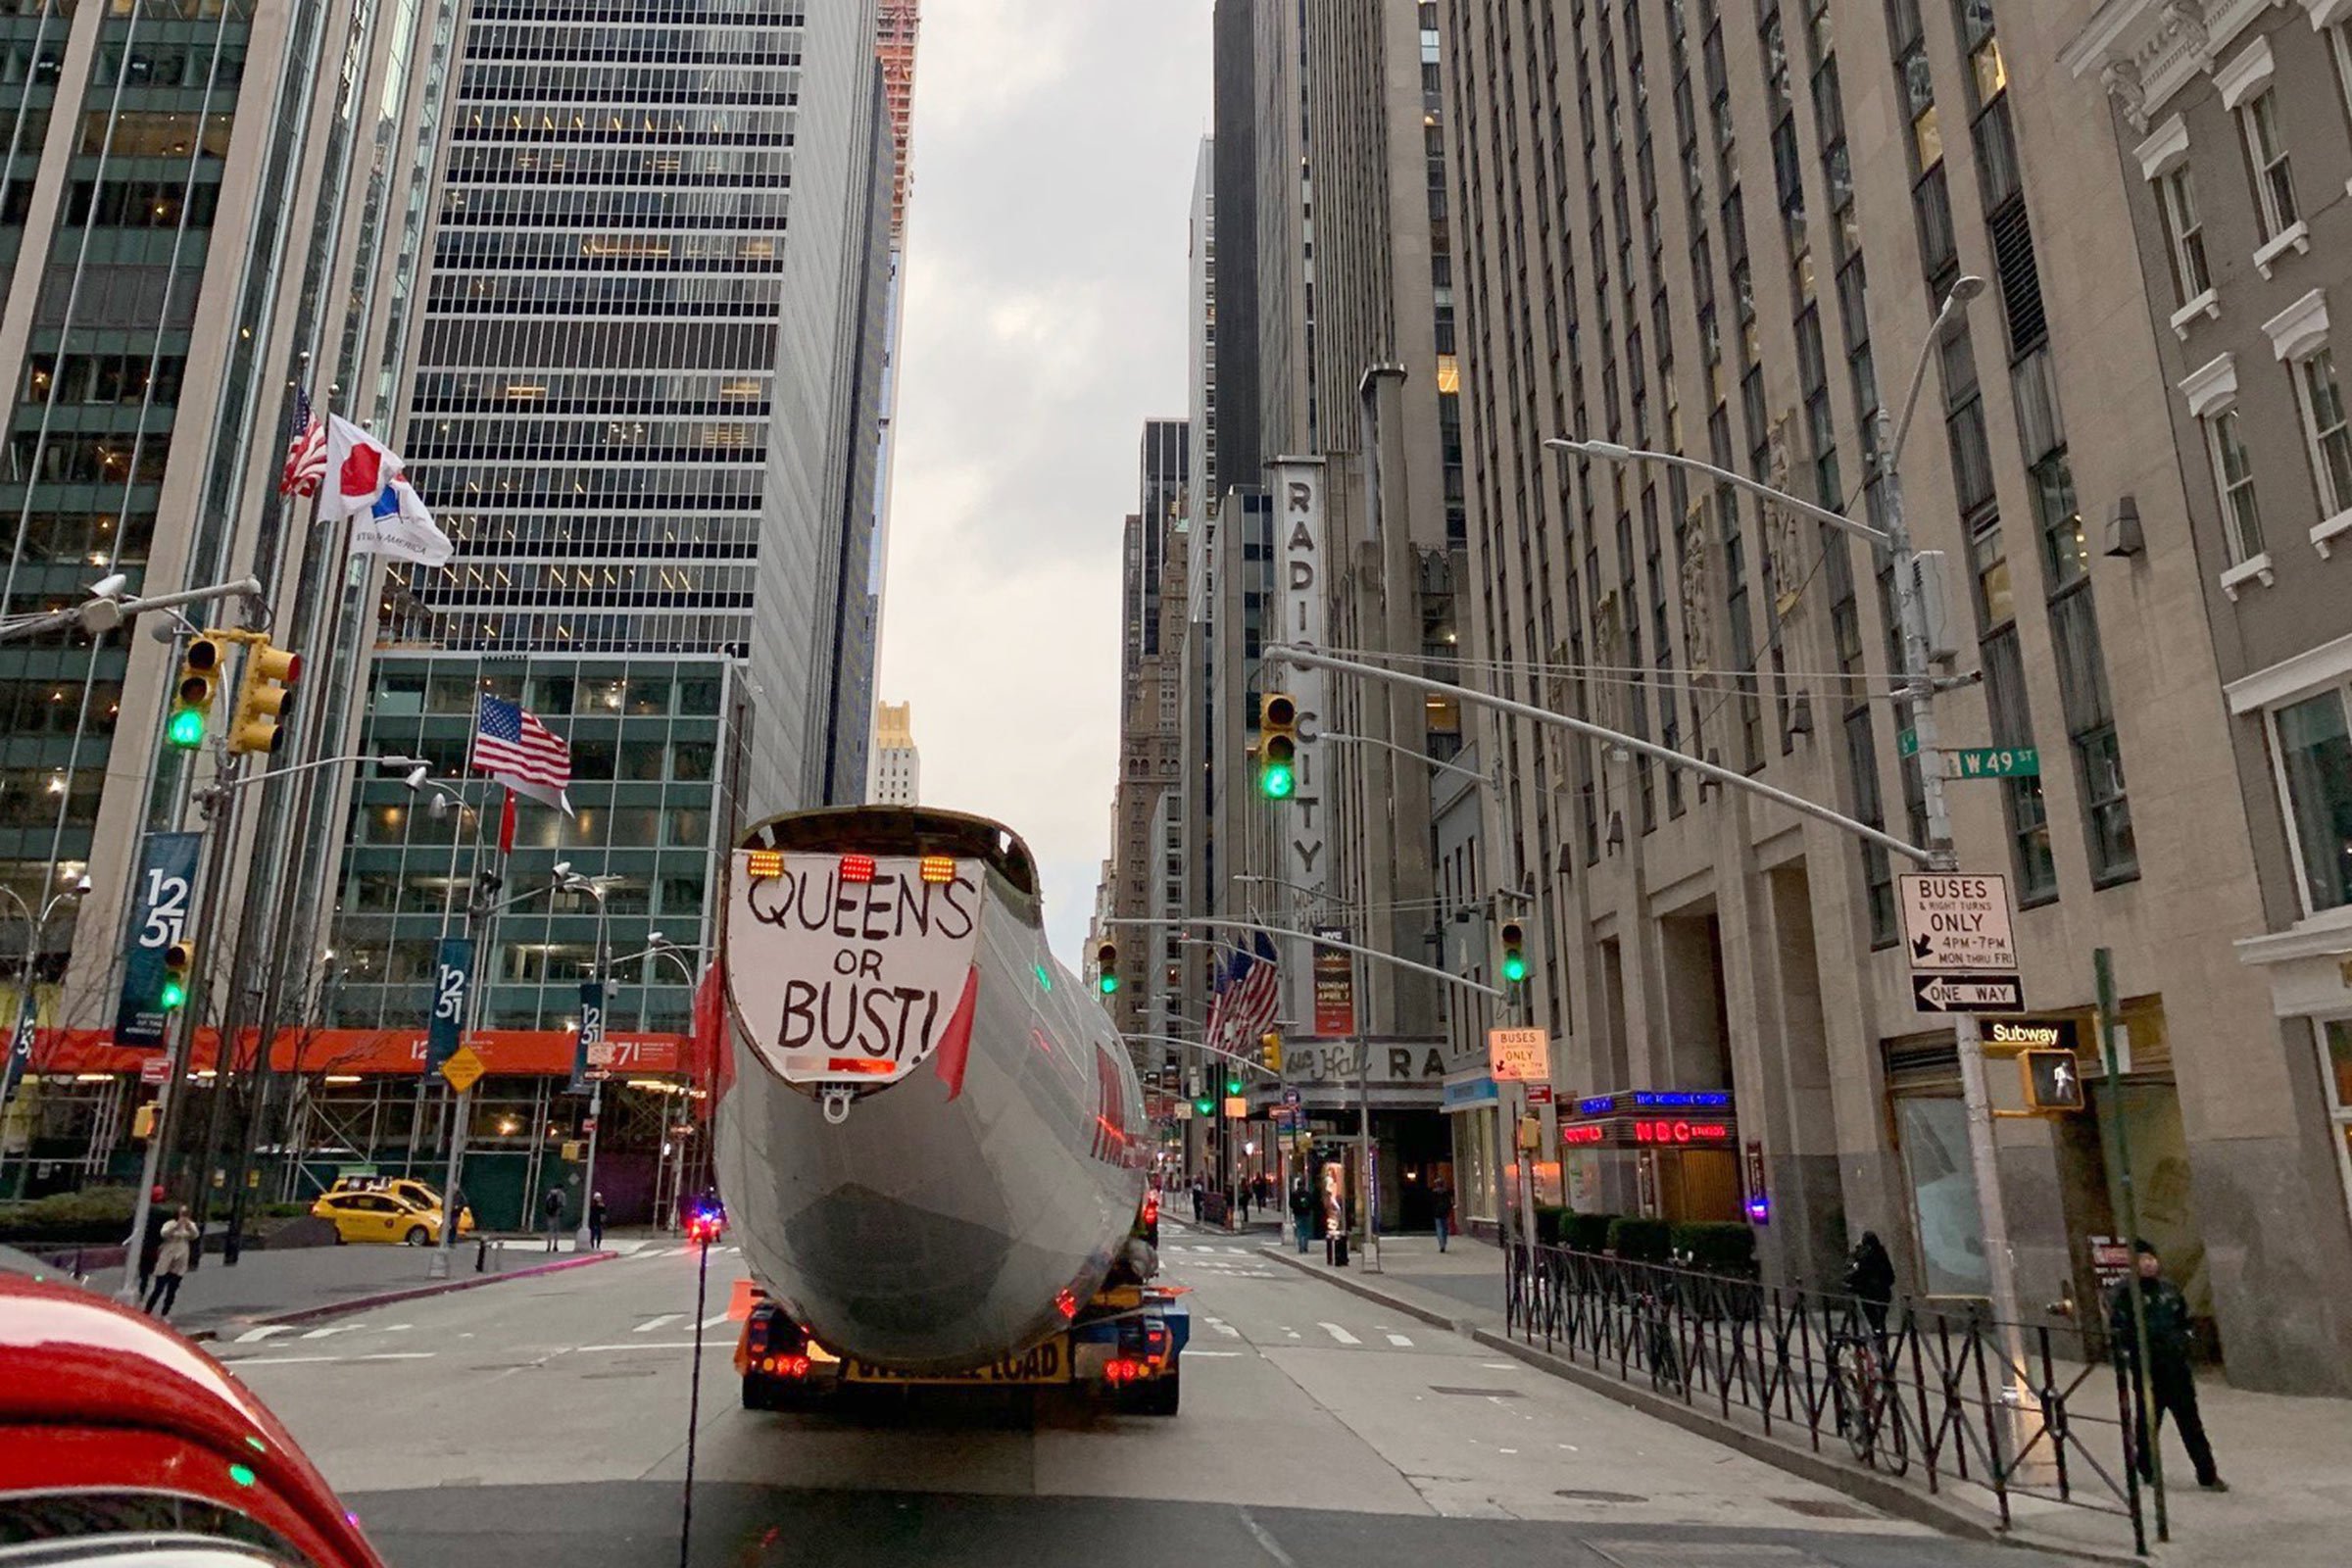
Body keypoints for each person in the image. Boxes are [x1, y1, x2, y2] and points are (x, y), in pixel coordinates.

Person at [2110, 1240, 2226, 1492]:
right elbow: (2119, 1329)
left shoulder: (2170, 1290)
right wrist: (2130, 1355)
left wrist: (2185, 1340)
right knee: (2148, 1423)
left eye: (2152, 1258)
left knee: (2191, 1423)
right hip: (2149, 1370)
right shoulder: (2125, 1294)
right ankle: (2147, 1469)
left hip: (2177, 1369)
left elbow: (2184, 1320)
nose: (2149, 1263)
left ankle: (2207, 1473)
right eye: (2143, 1259)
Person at [144, 1205, 198, 1318]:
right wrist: (176, 1226)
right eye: (181, 1214)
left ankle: (165, 1313)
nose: (183, 1217)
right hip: (168, 1254)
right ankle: (147, 1311)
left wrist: (188, 1226)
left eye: (185, 1214)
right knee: (158, 1288)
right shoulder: (170, 1224)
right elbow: (164, 1233)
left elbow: (195, 1235)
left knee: (172, 1290)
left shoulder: (190, 1225)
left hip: (181, 1256)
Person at [1844, 1230, 1896, 1342]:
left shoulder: (1866, 1255)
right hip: (1884, 1291)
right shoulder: (1881, 1253)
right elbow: (1890, 1275)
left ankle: (1877, 1332)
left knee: (1870, 1312)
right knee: (1880, 1316)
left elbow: (1859, 1272)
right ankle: (1880, 1333)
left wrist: (1850, 1281)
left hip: (1869, 1292)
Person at [132, 1186, 169, 1303]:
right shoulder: (163, 1214)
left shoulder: (143, 1211)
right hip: (155, 1246)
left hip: (143, 1244)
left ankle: (141, 1289)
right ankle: (144, 1291)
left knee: (143, 1270)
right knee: (149, 1271)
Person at [1429, 1170, 1455, 1253]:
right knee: (1445, 1228)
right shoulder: (1446, 1192)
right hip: (1445, 1213)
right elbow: (1449, 1202)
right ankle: (1444, 1241)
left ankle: (1441, 1244)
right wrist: (1449, 1209)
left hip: (1437, 1213)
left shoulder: (1433, 1193)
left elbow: (1431, 1203)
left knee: (1439, 1228)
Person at [1289, 1177, 1314, 1253]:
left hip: (1298, 1214)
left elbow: (1291, 1204)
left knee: (1299, 1230)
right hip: (1306, 1214)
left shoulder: (1294, 1194)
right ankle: (1305, 1247)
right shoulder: (1307, 1194)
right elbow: (1312, 1203)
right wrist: (1308, 1208)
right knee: (1306, 1231)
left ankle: (1301, 1247)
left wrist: (1296, 1209)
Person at [542, 1186, 564, 1251]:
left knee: (550, 1230)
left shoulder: (550, 1194)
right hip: (557, 1214)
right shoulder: (562, 1194)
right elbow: (563, 1205)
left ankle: (548, 1246)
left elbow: (546, 1204)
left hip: (549, 1214)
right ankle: (555, 1246)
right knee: (556, 1231)